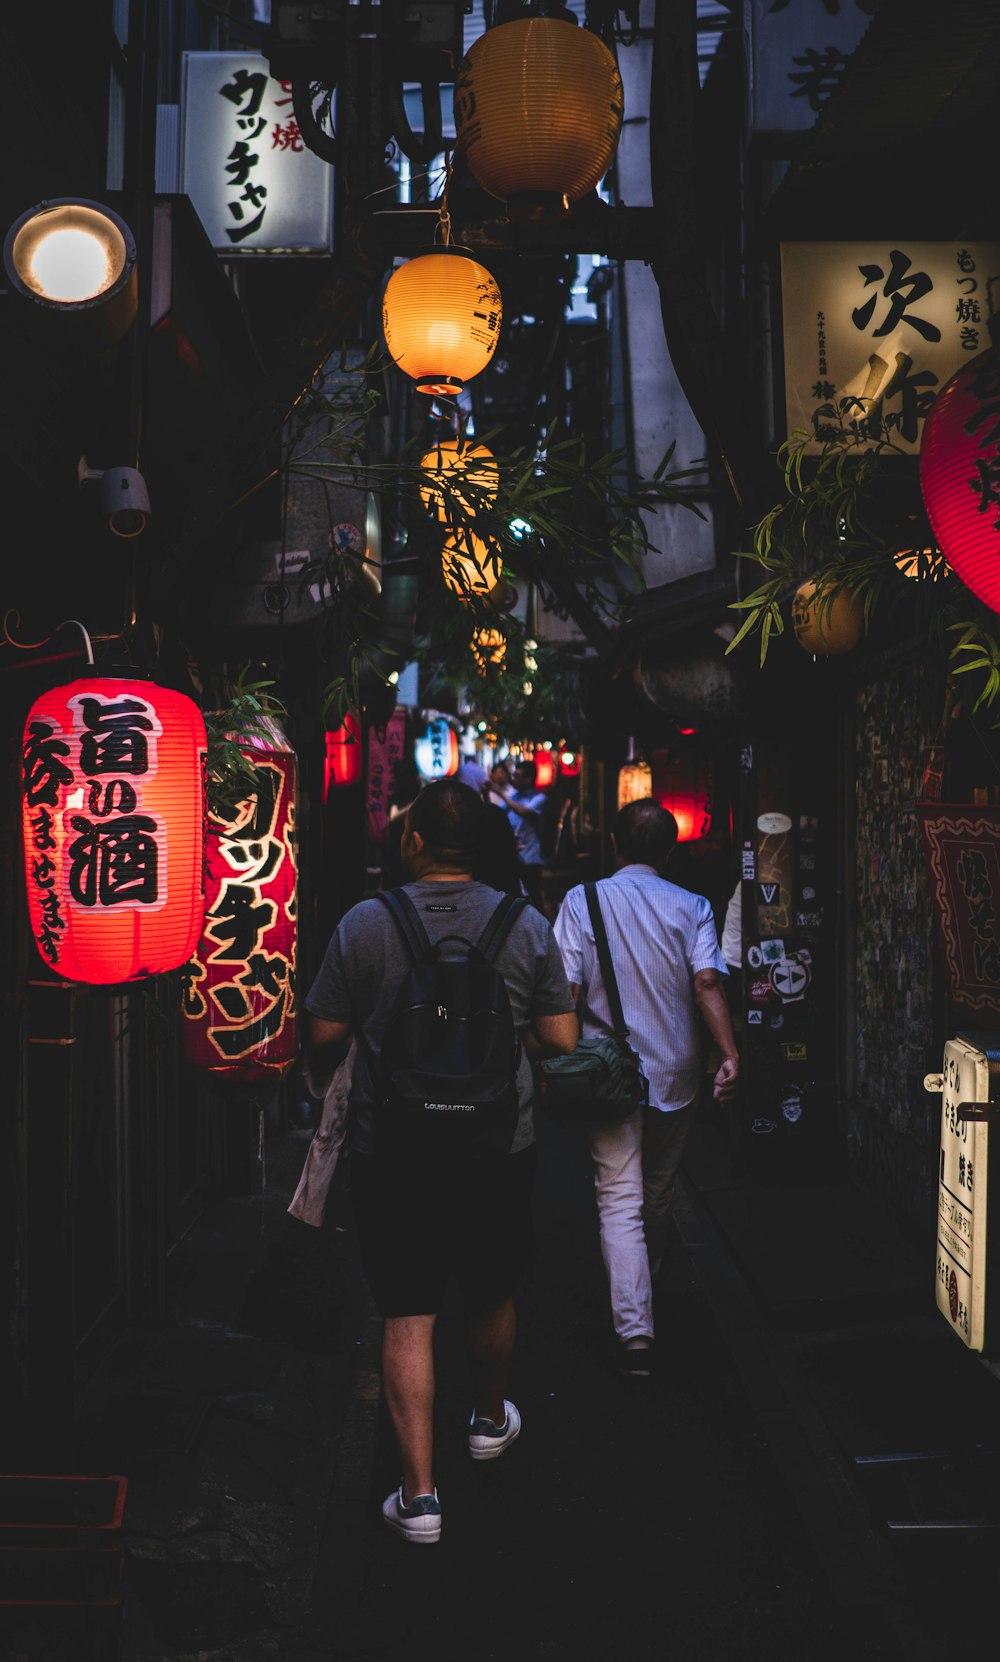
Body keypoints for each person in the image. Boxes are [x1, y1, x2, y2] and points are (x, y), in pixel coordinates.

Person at [305, 780, 577, 1543]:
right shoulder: (524, 925)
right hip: (498, 1143)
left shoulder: (366, 923)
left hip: (391, 1147)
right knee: (491, 1288)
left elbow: (323, 1034)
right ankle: (489, 1419)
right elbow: (561, 1039)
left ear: (415, 841)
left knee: (406, 1307)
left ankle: (419, 1496)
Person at [552, 798, 739, 1377]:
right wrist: (729, 1055)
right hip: (678, 1067)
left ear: (613, 843)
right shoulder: (693, 906)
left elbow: (565, 993)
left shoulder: (581, 901)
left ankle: (635, 1331)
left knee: (618, 1197)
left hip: (607, 1072)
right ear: (670, 850)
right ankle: (643, 1273)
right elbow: (707, 983)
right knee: (656, 1190)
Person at [502, 759, 548, 912]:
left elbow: (523, 811)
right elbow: (498, 813)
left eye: (517, 775)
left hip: (530, 855)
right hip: (514, 854)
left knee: (534, 896)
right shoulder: (514, 796)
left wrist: (499, 793)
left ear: (528, 779)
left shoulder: (539, 798)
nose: (513, 779)